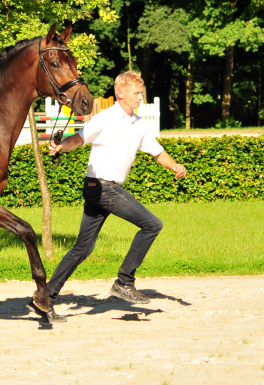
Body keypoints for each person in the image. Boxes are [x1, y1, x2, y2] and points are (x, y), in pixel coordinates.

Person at [35, 71, 187, 323]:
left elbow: (157, 152)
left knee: (82, 249)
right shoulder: (105, 118)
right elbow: (80, 138)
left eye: (142, 92)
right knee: (152, 225)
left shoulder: (139, 123)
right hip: (101, 187)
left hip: (102, 188)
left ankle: (45, 295)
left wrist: (176, 167)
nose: (141, 97)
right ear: (121, 93)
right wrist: (61, 145)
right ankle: (124, 282)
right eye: (136, 93)